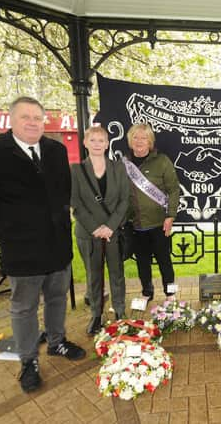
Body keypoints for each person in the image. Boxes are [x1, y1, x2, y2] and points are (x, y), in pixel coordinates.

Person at [0, 96, 86, 393]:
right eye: (25, 117)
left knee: (58, 298)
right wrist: (9, 228)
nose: (32, 122)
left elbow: (64, 192)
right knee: (24, 308)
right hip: (21, 250)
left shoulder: (56, 151)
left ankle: (57, 342)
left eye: (37, 117)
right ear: (12, 120)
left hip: (57, 246)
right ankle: (28, 360)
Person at [71, 126, 130, 335]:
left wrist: (110, 226)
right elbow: (76, 203)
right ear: (85, 143)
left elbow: (124, 200)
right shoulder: (76, 170)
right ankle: (96, 314)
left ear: (107, 144)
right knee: (93, 275)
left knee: (117, 274)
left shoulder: (119, 168)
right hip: (89, 234)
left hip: (113, 232)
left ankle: (120, 312)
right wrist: (96, 228)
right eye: (93, 140)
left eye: (101, 140)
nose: (97, 144)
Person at [123, 124, 180, 302]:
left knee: (165, 262)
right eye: (135, 137)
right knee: (142, 263)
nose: (139, 141)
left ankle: (171, 293)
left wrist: (170, 216)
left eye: (144, 138)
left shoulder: (162, 161)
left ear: (150, 141)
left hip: (159, 223)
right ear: (130, 141)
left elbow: (174, 190)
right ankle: (147, 292)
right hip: (136, 225)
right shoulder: (123, 164)